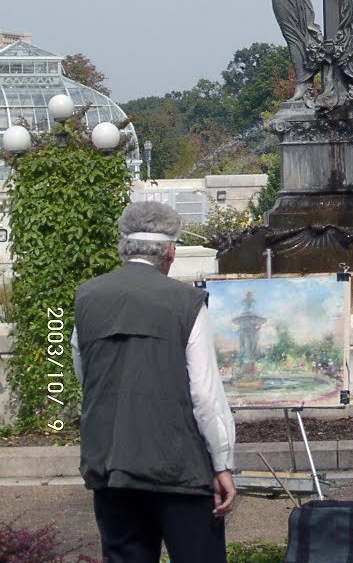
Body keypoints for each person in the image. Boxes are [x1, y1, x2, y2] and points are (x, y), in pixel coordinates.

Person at [71, 201, 236, 563]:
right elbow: (205, 396)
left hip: (112, 467)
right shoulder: (187, 302)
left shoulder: (86, 297)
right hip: (179, 468)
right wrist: (222, 464)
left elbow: (86, 375)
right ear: (171, 251)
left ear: (124, 245)